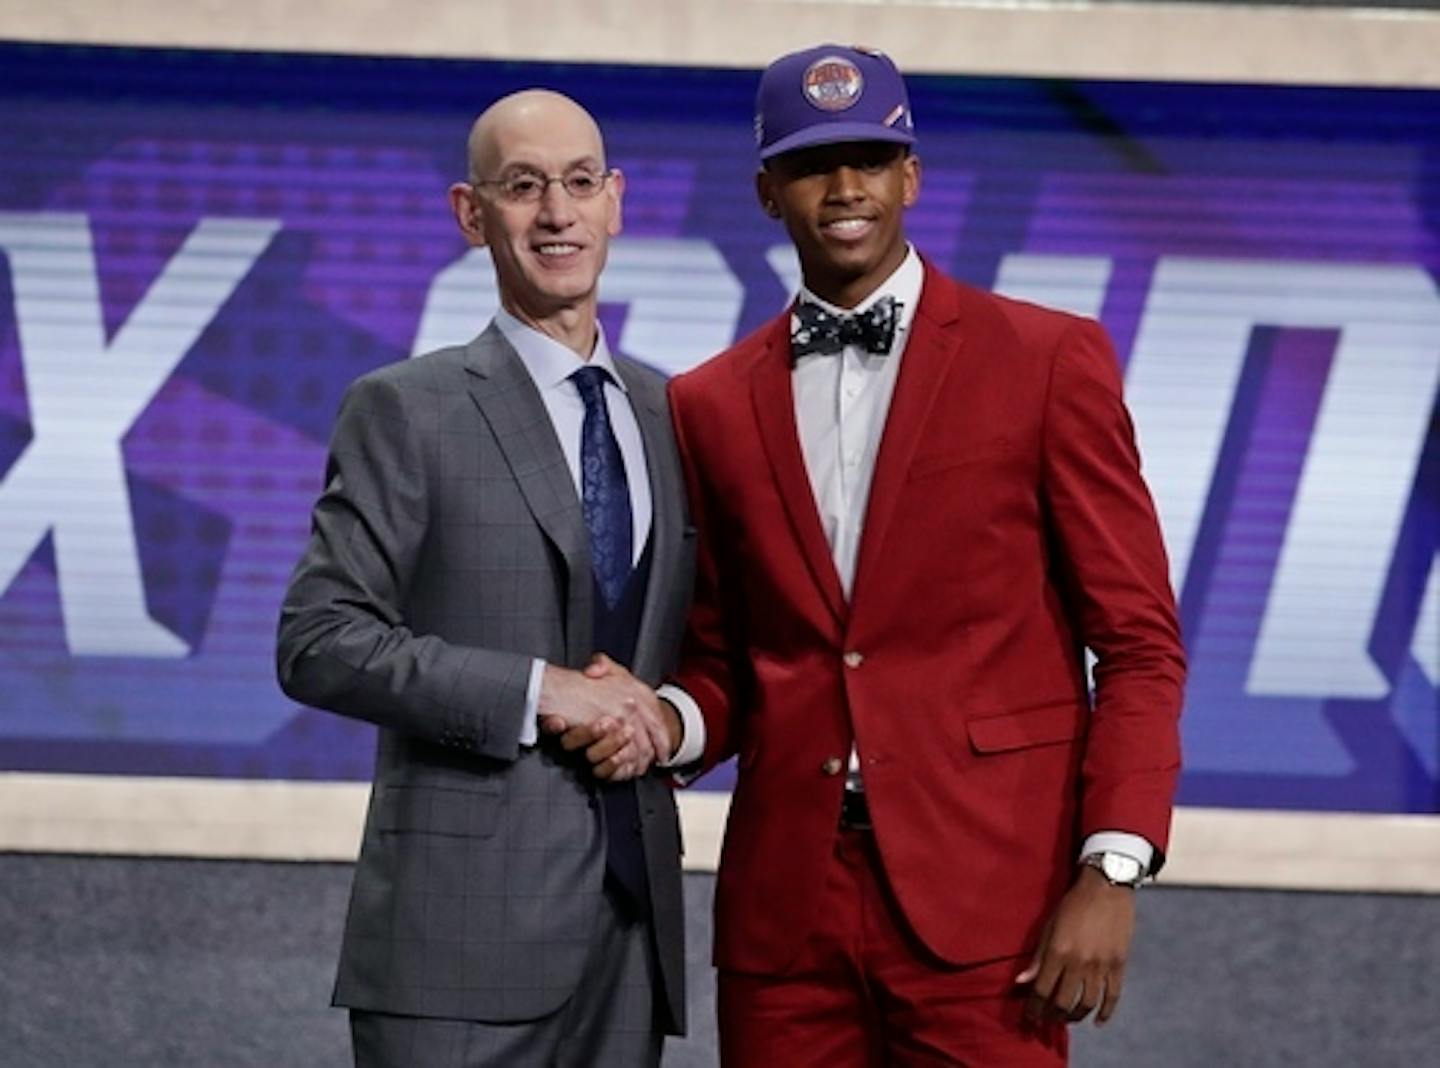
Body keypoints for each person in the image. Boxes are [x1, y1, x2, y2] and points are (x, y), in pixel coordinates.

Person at [608, 43, 1185, 1066]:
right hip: (787, 921)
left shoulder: (1048, 359)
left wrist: (1112, 869)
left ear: (910, 177)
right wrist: (666, 720)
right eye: (813, 164)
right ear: (766, 192)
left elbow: (1138, 642)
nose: (844, 190)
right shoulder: (706, 403)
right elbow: (728, 657)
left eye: (870, 159)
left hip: (990, 906)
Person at [276, 89, 694, 1067]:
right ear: (473, 214)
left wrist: (668, 718)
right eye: (524, 187)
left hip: (632, 935)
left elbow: (710, 643)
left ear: (616, 202)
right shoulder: (405, 410)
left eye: (580, 183)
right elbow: (317, 639)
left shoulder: (678, 414)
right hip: (453, 949)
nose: (557, 212)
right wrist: (537, 690)